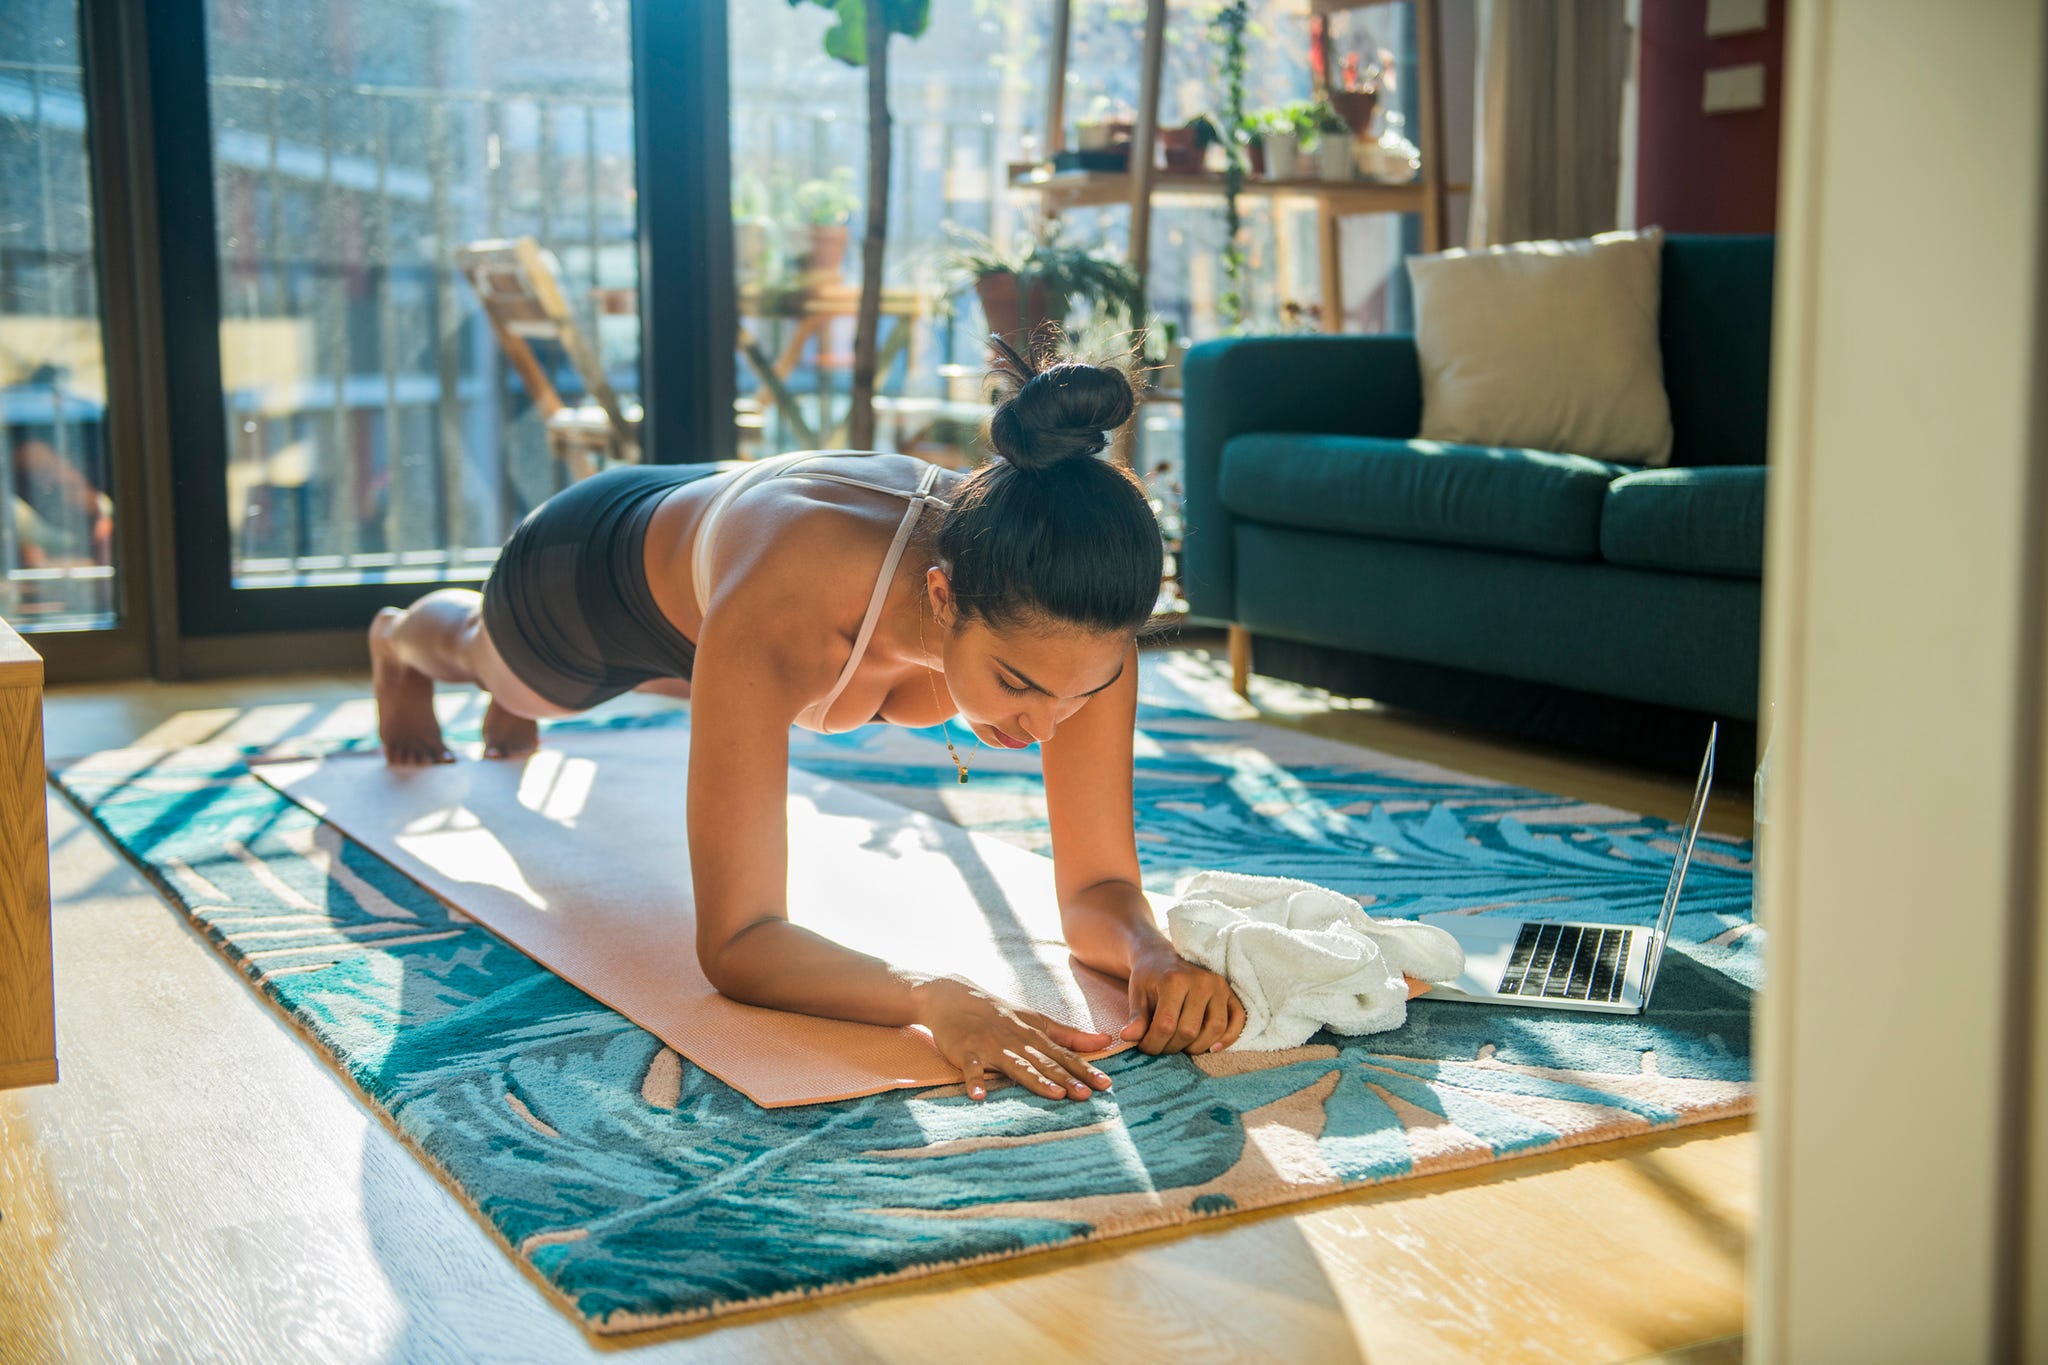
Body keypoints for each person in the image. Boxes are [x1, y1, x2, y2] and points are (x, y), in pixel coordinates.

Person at [369, 341, 1248, 1102]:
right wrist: (926, 993)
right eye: (1018, 684)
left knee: (713, 689)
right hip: (593, 570)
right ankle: (400, 640)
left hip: (722, 563)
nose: (1051, 726)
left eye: (1081, 696)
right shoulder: (787, 605)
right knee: (512, 676)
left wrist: (1149, 952)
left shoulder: (1075, 629)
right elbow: (739, 942)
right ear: (942, 599)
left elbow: (1097, 891)